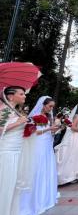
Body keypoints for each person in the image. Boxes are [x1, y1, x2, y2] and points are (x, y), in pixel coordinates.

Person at [20, 96, 59, 215]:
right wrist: (48, 129)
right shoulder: (34, 117)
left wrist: (53, 130)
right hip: (39, 144)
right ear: (43, 104)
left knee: (47, 168)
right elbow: (32, 132)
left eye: (52, 107)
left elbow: (48, 129)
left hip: (47, 144)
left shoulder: (48, 117)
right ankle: (35, 198)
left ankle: (46, 194)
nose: (51, 108)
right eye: (50, 106)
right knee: (38, 168)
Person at [0, 86, 30, 215]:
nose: (24, 96)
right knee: (6, 184)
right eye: (21, 94)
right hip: (7, 152)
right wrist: (19, 122)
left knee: (13, 184)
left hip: (17, 150)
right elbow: (0, 129)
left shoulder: (15, 110)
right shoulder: (5, 109)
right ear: (11, 96)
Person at [55, 101, 78, 185]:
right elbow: (73, 128)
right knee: (75, 155)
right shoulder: (77, 116)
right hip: (77, 137)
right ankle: (71, 175)